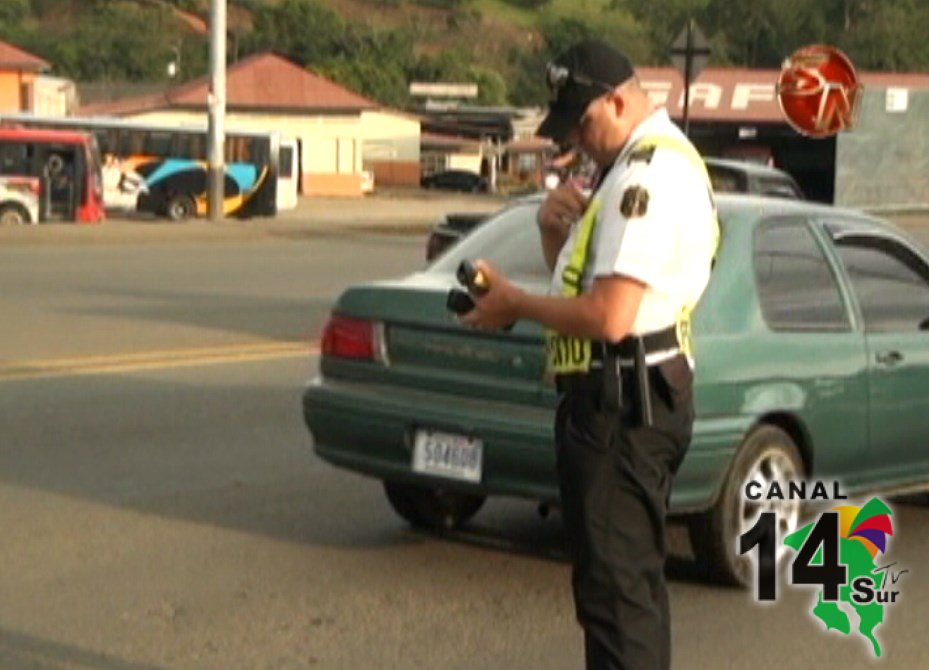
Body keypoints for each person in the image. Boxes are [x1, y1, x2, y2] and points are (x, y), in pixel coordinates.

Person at [461, 39, 718, 669]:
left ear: (620, 98)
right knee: (623, 592)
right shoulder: (631, 167)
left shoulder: (645, 177)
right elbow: (589, 292)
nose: (576, 136)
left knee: (616, 602)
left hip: (620, 407)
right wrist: (556, 236)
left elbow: (610, 317)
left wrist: (515, 303)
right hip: (630, 397)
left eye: (584, 120)